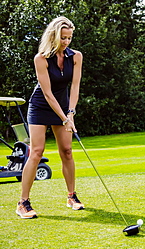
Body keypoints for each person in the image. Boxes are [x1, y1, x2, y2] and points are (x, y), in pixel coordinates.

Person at [16, 16, 84, 219]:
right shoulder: (41, 59)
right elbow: (47, 94)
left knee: (67, 150)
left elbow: (75, 86)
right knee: (37, 151)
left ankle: (71, 196)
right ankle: (23, 203)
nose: (66, 42)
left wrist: (70, 113)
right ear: (53, 36)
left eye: (69, 38)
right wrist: (64, 118)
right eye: (63, 37)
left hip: (63, 105)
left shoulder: (76, 57)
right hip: (40, 106)